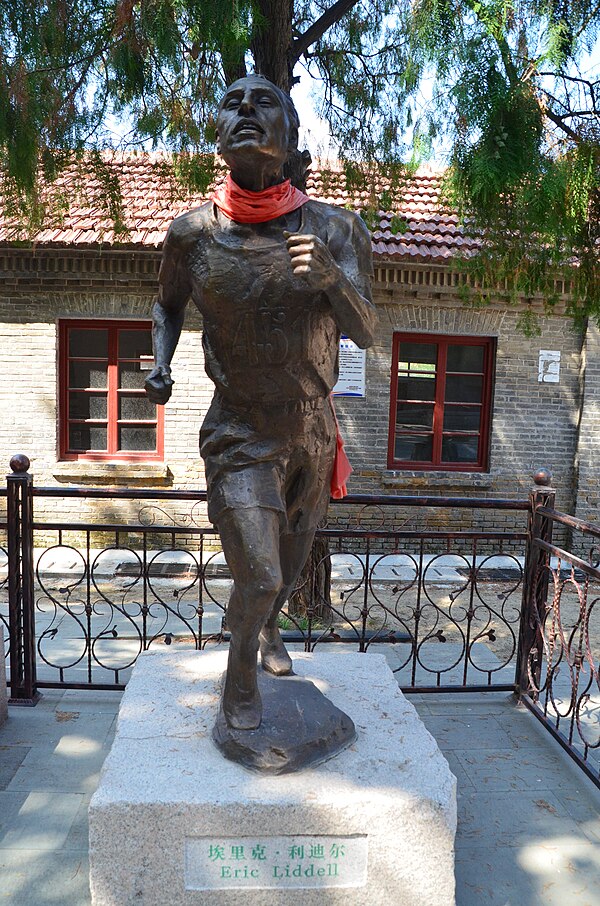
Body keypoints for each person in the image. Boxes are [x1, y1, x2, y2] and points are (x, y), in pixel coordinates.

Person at [145, 74, 376, 731]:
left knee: (290, 569)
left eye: (264, 101)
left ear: (291, 135)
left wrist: (333, 280)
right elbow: (165, 308)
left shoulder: (335, 228)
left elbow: (366, 329)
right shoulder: (191, 235)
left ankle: (266, 632)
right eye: (231, 101)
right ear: (217, 134)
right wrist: (159, 363)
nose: (245, 108)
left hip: (310, 432)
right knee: (265, 575)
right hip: (239, 431)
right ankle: (239, 675)